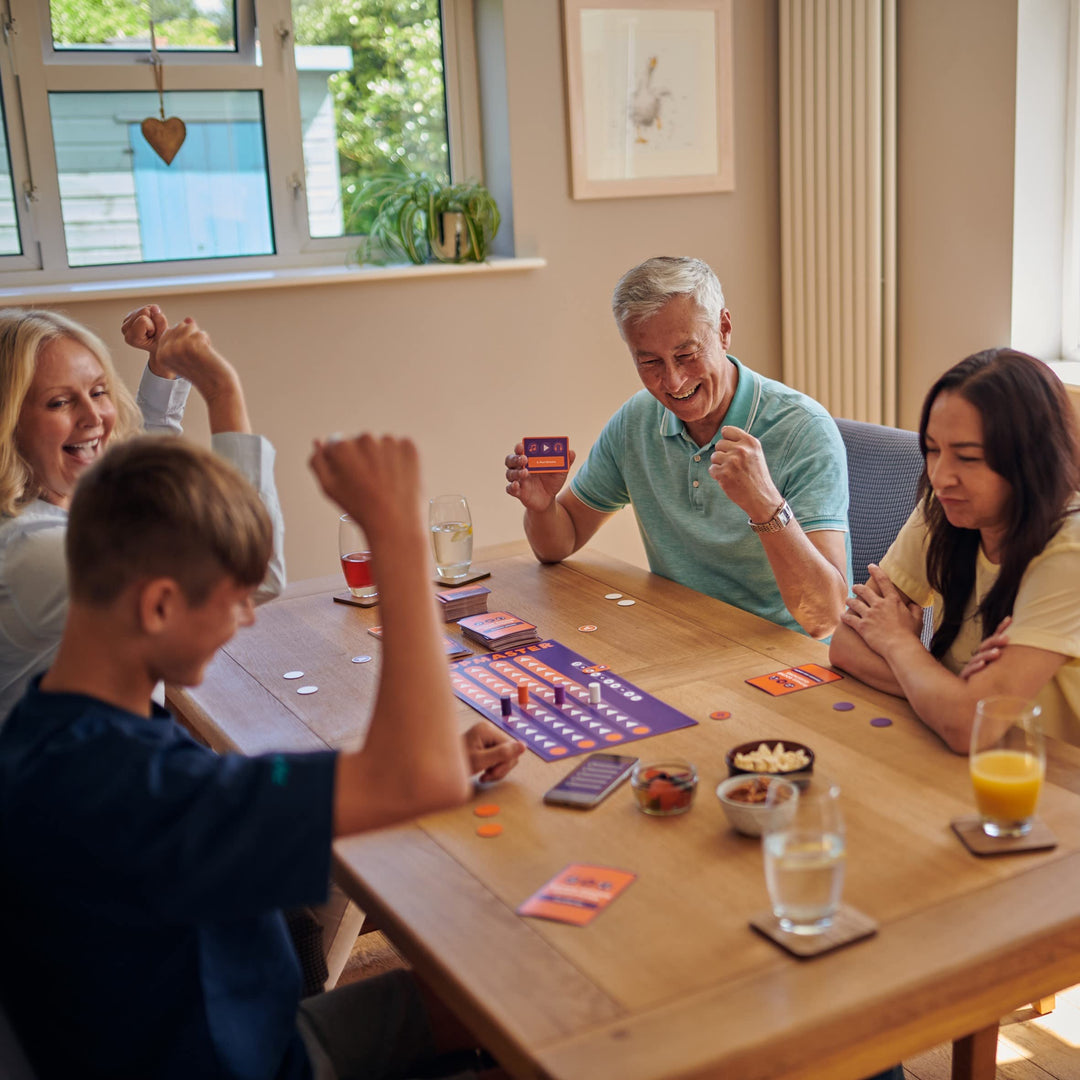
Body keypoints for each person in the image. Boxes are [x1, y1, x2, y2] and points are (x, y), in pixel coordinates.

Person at [0, 433, 515, 1080]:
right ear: (159, 604)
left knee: (488, 1000)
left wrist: (398, 765)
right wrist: (398, 538)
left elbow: (221, 796)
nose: (247, 618)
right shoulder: (137, 792)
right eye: (237, 598)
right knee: (532, 1031)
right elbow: (421, 780)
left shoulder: (53, 726)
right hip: (250, 1063)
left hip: (243, 1032)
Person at [504, 256, 850, 638]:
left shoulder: (804, 430)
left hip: (782, 657)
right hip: (681, 637)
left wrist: (765, 506)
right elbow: (559, 541)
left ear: (723, 329)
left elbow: (826, 618)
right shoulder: (637, 420)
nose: (673, 380)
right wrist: (542, 507)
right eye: (650, 361)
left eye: (686, 354)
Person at [0, 304, 286, 719]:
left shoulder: (56, 502)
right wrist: (222, 391)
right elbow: (248, 576)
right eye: (60, 402)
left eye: (99, 391)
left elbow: (129, 478)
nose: (94, 415)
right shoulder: (36, 552)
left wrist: (163, 372)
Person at [829, 348, 1080, 750]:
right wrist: (950, 693)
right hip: (954, 751)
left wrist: (898, 644)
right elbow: (845, 646)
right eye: (932, 449)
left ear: (1030, 460)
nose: (941, 476)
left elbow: (968, 726)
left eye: (967, 457)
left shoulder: (1070, 551)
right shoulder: (944, 507)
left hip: (1051, 776)